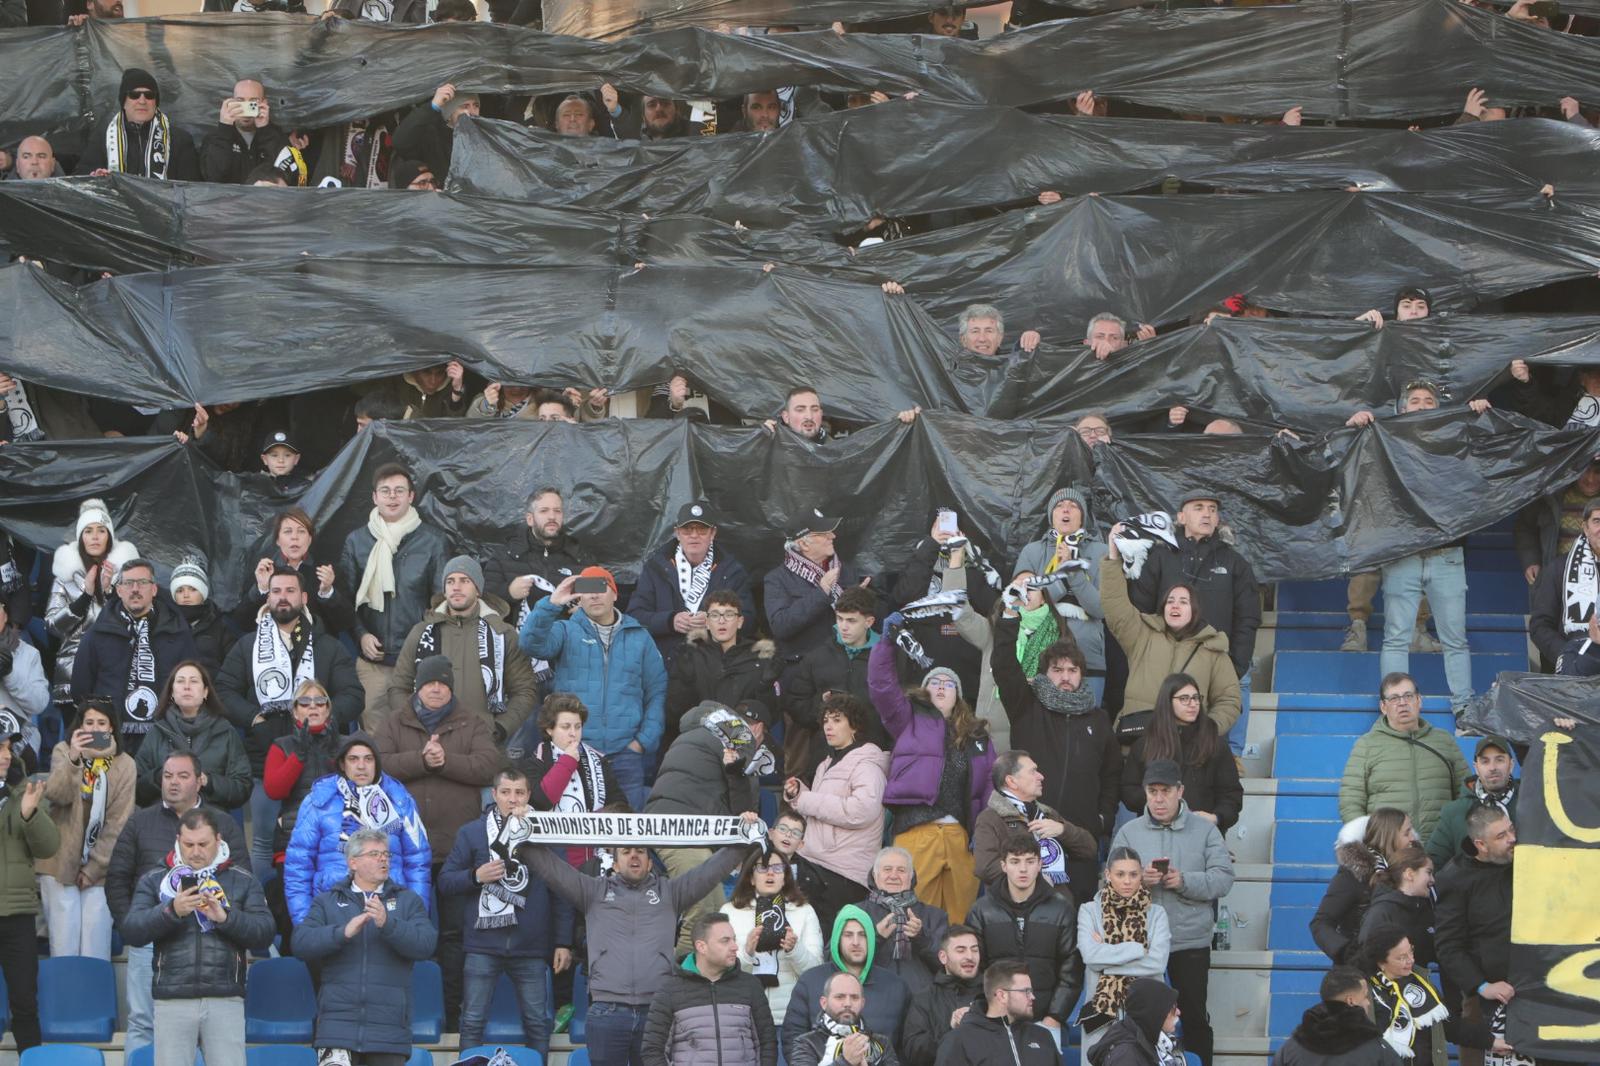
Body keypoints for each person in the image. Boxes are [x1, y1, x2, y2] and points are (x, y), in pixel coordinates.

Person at [518, 819, 759, 1066]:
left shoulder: (670, 893)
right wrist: (521, 835)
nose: (634, 856)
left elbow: (709, 872)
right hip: (606, 1011)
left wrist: (742, 837)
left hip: (656, 1010)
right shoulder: (592, 891)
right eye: (626, 851)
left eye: (641, 851)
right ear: (614, 863)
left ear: (650, 862)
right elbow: (552, 869)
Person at [372, 654, 499, 1028]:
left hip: (456, 853)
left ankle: (452, 1015)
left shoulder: (471, 721)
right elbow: (376, 764)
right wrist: (421, 760)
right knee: (404, 932)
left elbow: (489, 765)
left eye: (443, 683)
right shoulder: (395, 721)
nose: (437, 688)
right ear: (417, 686)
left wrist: (446, 761)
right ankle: (406, 1013)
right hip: (403, 853)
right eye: (430, 683)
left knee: (455, 936)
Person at [216, 566, 362, 876]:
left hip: (323, 763)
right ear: (267, 598)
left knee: (331, 841)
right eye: (276, 591)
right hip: (265, 759)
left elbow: (353, 694)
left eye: (290, 591)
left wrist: (323, 715)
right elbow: (224, 689)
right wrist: (252, 717)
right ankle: (267, 917)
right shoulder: (248, 645)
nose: (283, 598)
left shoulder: (327, 645)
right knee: (263, 844)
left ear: (304, 597)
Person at [106, 751, 251, 1055]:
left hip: (215, 940)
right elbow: (117, 880)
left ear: (200, 781)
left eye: (182, 776)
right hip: (153, 937)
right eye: (167, 776)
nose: (172, 783)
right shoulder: (140, 821)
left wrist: (223, 919)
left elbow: (244, 881)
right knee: (142, 1021)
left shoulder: (221, 822)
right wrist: (136, 923)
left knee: (212, 1037)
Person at [120, 807, 274, 1066]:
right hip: (172, 997)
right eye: (188, 844)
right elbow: (133, 930)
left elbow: (265, 933)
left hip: (225, 997)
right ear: (178, 841)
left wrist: (226, 918)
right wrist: (171, 911)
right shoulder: (156, 878)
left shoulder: (242, 880)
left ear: (218, 840)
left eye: (203, 843)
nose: (195, 851)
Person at [438, 768, 574, 1057]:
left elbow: (562, 890)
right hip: (482, 945)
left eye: (519, 792)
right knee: (472, 1023)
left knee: (539, 1024)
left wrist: (563, 941)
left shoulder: (543, 833)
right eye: (506, 792)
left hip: (531, 947)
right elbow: (445, 881)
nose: (513, 799)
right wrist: (475, 876)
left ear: (528, 796)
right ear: (494, 795)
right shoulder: (472, 832)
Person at [990, 601, 1121, 892]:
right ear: (1045, 673)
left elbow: (1112, 774)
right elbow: (1003, 666)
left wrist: (1102, 818)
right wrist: (1010, 617)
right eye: (1057, 669)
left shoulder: (1098, 720)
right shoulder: (1026, 706)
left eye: (1072, 670)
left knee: (1076, 919)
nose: (1065, 677)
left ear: (1081, 675)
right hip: (1029, 837)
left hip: (1080, 837)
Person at [1110, 761, 1234, 1066]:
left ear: (1180, 791)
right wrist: (1139, 881)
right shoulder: (1129, 831)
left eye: (1166, 791)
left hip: (1188, 940)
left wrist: (1184, 881)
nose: (1159, 799)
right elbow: (1109, 881)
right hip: (1139, 942)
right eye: (1152, 791)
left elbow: (1224, 878)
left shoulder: (1205, 830)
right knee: (1137, 1018)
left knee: (1192, 1017)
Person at [867, 627, 995, 921]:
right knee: (913, 916)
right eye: (934, 681)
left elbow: (990, 781)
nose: (940, 686)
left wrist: (983, 831)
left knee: (960, 919)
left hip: (961, 836)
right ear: (925, 690)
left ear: (958, 695)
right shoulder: (907, 719)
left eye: (948, 684)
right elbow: (881, 687)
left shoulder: (977, 735)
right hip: (917, 830)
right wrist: (886, 644)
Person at [519, 567, 666, 810]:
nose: (594, 595)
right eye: (586, 590)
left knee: (628, 837)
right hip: (573, 753)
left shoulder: (640, 637)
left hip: (625, 755)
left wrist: (642, 742)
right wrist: (552, 603)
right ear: (579, 597)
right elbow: (530, 643)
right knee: (574, 833)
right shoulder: (565, 630)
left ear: (615, 594)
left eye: (601, 587)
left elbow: (657, 690)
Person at [293, 829, 440, 1066]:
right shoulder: (327, 901)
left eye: (386, 854)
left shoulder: (407, 900)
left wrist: (388, 924)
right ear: (353, 862)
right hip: (336, 1029)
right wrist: (343, 932)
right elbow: (300, 943)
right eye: (374, 854)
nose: (383, 859)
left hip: (388, 1032)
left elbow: (426, 944)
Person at [1130, 491, 1260, 753]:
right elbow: (1140, 609)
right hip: (1167, 666)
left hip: (1220, 666)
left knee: (1221, 751)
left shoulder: (1234, 562)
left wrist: (1235, 664)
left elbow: (1248, 617)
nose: (1207, 513)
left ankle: (1231, 769)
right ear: (1181, 517)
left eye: (1212, 509)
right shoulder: (1160, 556)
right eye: (1198, 507)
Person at [647, 699, 772, 953]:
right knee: (706, 908)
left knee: (711, 910)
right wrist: (737, 771)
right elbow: (742, 810)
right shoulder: (739, 738)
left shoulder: (697, 729)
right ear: (757, 729)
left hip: (665, 822)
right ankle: (676, 976)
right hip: (682, 829)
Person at [337, 463, 451, 729]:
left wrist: (420, 643)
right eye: (385, 491)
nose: (392, 496)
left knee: (415, 732)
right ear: (375, 497)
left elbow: (440, 603)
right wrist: (360, 634)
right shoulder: (357, 541)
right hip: (372, 662)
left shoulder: (433, 541)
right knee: (375, 736)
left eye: (399, 490)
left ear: (411, 496)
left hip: (416, 661)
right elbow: (345, 601)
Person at [386, 555, 540, 744]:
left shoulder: (503, 634)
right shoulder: (421, 632)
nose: (456, 587)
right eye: (450, 581)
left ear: (478, 590)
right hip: (427, 743)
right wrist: (415, 726)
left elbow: (524, 690)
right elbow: (398, 687)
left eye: (465, 581)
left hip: (482, 744)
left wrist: (499, 728)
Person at [283, 732, 432, 925]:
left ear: (376, 764)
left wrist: (415, 922)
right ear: (343, 764)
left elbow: (418, 862)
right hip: (332, 909)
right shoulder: (318, 801)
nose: (361, 766)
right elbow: (298, 866)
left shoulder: (400, 800)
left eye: (368, 759)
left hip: (391, 906)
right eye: (353, 759)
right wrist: (306, 925)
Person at [1101, 536, 1241, 736]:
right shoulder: (1141, 635)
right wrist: (1113, 558)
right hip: (1138, 743)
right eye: (1170, 601)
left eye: (1183, 601)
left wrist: (1206, 731)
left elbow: (1229, 700)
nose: (1175, 605)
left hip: (1186, 751)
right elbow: (1114, 604)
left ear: (1195, 610)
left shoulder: (1213, 649)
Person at [36, 697, 135, 960]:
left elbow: (118, 823)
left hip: (101, 870)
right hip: (59, 863)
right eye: (88, 722)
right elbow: (57, 795)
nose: (94, 728)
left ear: (111, 727)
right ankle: (64, 1002)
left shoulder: (125, 764)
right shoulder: (62, 750)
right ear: (79, 726)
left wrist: (93, 869)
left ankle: (93, 1000)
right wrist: (73, 758)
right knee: (63, 949)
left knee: (95, 950)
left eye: (101, 722)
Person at [783, 694, 890, 935]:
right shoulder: (826, 763)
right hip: (816, 862)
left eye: (837, 720)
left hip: (842, 873)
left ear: (854, 725)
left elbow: (861, 811)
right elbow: (826, 807)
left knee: (831, 942)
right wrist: (800, 791)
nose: (828, 726)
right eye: (825, 720)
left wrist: (805, 799)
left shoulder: (867, 764)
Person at [70, 557, 200, 752]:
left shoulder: (178, 632)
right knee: (102, 782)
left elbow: (194, 684)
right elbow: (81, 689)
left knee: (166, 781)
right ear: (119, 590)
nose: (135, 589)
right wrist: (99, 732)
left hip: (164, 736)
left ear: (154, 589)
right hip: (106, 735)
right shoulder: (98, 632)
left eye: (142, 583)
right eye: (128, 583)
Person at [966, 831, 1081, 1037]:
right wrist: (987, 1012)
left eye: (1030, 861)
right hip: (994, 1022)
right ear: (1003, 865)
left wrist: (1054, 1017)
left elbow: (1071, 969)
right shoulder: (982, 910)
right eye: (1015, 861)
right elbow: (975, 968)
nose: (1023, 869)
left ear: (1040, 864)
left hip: (1046, 1021)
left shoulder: (1061, 910)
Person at [1338, 673, 1469, 841]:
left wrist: (1454, 836)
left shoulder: (1444, 741)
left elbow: (1465, 794)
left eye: (1408, 696)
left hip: (1440, 849)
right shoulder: (1366, 745)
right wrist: (1372, 843)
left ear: (1419, 700)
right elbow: (1351, 800)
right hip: (1389, 852)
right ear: (1383, 707)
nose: (1402, 703)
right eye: (1394, 698)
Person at [627, 501, 756, 666]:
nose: (694, 535)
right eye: (687, 530)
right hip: (665, 666)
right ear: (677, 533)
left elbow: (749, 621)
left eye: (701, 529)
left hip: (716, 666)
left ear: (713, 533)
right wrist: (670, 621)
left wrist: (714, 621)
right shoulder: (655, 568)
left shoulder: (732, 571)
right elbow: (635, 616)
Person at [1434, 804, 1516, 1062]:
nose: (1512, 839)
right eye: (1501, 836)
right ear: (1481, 844)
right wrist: (1482, 986)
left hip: (1530, 990)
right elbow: (1448, 946)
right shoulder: (1455, 878)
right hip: (1485, 998)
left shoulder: (1525, 859)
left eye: (1510, 829)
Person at [641, 912, 778, 1066]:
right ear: (702, 947)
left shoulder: (750, 985)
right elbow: (653, 1050)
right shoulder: (670, 991)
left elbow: (768, 1044)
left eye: (734, 939)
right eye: (725, 941)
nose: (735, 947)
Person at [1012, 488, 1110, 697]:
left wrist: (1074, 574)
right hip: (1041, 657)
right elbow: (1023, 606)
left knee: (1085, 725)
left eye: (1073, 506)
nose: (1066, 509)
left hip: (1088, 657)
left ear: (1082, 517)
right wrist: (1060, 579)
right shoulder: (1032, 552)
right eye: (1059, 506)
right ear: (1051, 516)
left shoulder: (1101, 552)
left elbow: (1102, 609)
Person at [510, 694, 623, 869]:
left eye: (578, 727)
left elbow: (620, 805)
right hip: (553, 860)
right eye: (566, 727)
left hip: (595, 858)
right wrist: (567, 761)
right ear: (549, 729)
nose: (573, 733)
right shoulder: (534, 762)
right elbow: (541, 800)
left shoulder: (598, 761)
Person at [1119, 673, 1243, 834]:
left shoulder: (1215, 744)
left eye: (1196, 698)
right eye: (1184, 698)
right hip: (1154, 833)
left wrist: (1216, 817)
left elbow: (1231, 795)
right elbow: (1128, 790)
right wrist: (1160, 804)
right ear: (1168, 702)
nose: (1193, 704)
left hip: (1201, 835)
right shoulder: (1145, 744)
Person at [972, 750, 1098, 906]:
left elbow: (1089, 849)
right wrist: (1036, 877)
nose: (1041, 776)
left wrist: (1063, 830)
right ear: (1012, 781)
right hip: (1012, 911)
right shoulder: (990, 818)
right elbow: (985, 867)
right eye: (1033, 771)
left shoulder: (1047, 813)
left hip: (1056, 911)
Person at [47, 498, 140, 710]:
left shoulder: (126, 576)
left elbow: (136, 623)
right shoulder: (65, 575)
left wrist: (108, 592)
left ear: (110, 536)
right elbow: (52, 626)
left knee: (108, 741)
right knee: (79, 741)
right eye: (88, 531)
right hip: (72, 676)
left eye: (101, 530)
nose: (95, 537)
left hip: (116, 675)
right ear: (80, 537)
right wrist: (86, 596)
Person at [1077, 847, 1172, 1052]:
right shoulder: (1088, 911)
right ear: (1108, 875)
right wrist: (1139, 949)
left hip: (1148, 1012)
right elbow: (1090, 956)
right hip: (1101, 1011)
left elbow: (1157, 963)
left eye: (1133, 874)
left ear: (1141, 876)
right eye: (1120, 874)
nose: (1127, 881)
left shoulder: (1157, 914)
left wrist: (1106, 959)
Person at [782, 905, 910, 1056]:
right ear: (837, 939)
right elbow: (793, 1040)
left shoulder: (896, 986)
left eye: (862, 934)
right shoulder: (810, 982)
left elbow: (906, 1047)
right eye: (848, 935)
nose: (856, 942)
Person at [784, 586, 884, 776]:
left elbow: (900, 708)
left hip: (872, 756)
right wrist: (821, 705)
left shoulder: (888, 657)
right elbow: (795, 705)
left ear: (869, 621)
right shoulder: (816, 656)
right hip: (824, 759)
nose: (843, 627)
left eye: (851, 620)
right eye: (840, 619)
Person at [0, 727, 58, 1053]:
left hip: (19, 914)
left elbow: (49, 847)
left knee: (24, 1003)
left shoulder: (26, 792)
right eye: (0, 748)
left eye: (8, 747)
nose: (7, 754)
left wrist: (30, 813)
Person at [664, 589, 780, 751]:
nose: (722, 621)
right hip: (699, 745)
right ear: (707, 622)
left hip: (742, 747)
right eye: (715, 615)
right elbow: (673, 713)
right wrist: (684, 684)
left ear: (740, 621)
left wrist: (764, 686)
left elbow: (770, 716)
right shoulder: (690, 655)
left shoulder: (759, 658)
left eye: (729, 614)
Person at [726, 842, 825, 1022]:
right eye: (762, 868)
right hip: (743, 1015)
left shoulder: (804, 911)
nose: (770, 873)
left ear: (786, 877)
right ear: (751, 877)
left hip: (789, 1016)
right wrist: (747, 952)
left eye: (778, 868)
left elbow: (815, 972)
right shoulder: (730, 912)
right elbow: (720, 968)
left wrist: (795, 950)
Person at [133, 660, 252, 809]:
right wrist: (161, 776)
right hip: (163, 820)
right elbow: (136, 788)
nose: (187, 687)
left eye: (194, 681)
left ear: (205, 692)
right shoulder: (157, 732)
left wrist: (208, 781)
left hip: (210, 822)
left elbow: (243, 787)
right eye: (180, 681)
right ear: (171, 692)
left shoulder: (225, 731)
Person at [765, 506, 874, 661]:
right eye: (824, 533)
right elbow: (781, 626)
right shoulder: (777, 579)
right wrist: (822, 592)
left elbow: (870, 622)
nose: (833, 536)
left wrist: (861, 602)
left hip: (846, 662)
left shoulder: (846, 570)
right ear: (804, 544)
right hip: (803, 668)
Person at [1310, 809, 1417, 966]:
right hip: (1360, 972)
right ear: (1389, 836)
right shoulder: (1354, 874)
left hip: (1402, 969)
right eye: (1407, 833)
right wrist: (1347, 951)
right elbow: (1321, 923)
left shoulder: (1414, 872)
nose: (1412, 839)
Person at [231, 507, 351, 634]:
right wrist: (261, 588)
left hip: (316, 645)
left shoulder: (326, 571)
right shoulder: (263, 570)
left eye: (301, 531)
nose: (295, 537)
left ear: (309, 539)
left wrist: (328, 593)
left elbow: (346, 622)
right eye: (288, 531)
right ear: (277, 540)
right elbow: (241, 622)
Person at [1361, 927, 1469, 1063]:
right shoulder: (1364, 992)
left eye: (1411, 951)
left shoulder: (1422, 982)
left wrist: (1491, 1042)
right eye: (1402, 957)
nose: (1410, 960)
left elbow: (1449, 1025)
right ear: (1381, 962)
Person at [483, 487, 583, 632]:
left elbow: (600, 597)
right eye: (544, 511)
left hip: (565, 648)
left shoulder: (579, 558)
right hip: (517, 650)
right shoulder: (504, 557)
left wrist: (587, 608)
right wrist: (508, 592)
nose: (552, 517)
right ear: (530, 519)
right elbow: (483, 603)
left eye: (557, 511)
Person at [936, 959, 1064, 1066]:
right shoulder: (959, 1040)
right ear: (1002, 995)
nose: (1032, 997)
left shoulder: (1042, 1036)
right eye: (1026, 991)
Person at [75, 69, 199, 179]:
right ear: (123, 102)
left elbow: (192, 190)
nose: (142, 101)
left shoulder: (180, 140)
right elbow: (81, 179)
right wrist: (96, 178)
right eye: (134, 95)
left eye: (149, 95)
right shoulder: (103, 137)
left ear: (155, 102)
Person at [858, 846, 949, 995]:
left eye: (901, 870)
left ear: (911, 877)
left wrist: (922, 938)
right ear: (875, 875)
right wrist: (876, 937)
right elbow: (836, 960)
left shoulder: (935, 916)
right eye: (887, 869)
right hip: (869, 996)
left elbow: (948, 964)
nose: (894, 876)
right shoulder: (857, 913)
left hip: (922, 1000)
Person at [1273, 965, 1402, 1066]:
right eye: (1365, 996)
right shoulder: (1378, 1049)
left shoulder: (1291, 1048)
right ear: (1351, 1001)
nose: (1368, 1002)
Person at [1529, 496, 1600, 673]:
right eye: (1597, 521)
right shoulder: (1558, 568)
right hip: (1572, 672)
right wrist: (1569, 656)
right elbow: (1540, 625)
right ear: (1585, 527)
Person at [1426, 736, 1516, 867]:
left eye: (1499, 760)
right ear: (1476, 767)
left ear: (1511, 765)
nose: (1492, 767)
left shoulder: (1532, 803)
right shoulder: (1454, 812)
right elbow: (1433, 864)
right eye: (1485, 761)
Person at [901, 925, 983, 1066]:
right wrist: (950, 1029)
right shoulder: (925, 998)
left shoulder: (991, 995)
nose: (970, 957)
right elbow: (913, 1052)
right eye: (961, 950)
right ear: (943, 957)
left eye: (974, 950)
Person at [788, 970, 903, 1066]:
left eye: (854, 997)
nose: (848, 1003)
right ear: (824, 1003)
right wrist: (845, 1061)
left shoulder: (882, 1043)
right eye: (840, 997)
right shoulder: (806, 1043)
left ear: (862, 1003)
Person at [199, 79, 290, 184]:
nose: (246, 107)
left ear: (264, 103)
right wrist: (224, 128)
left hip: (264, 199)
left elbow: (283, 176)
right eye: (240, 100)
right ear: (231, 103)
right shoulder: (216, 137)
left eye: (253, 101)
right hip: (228, 199)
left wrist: (265, 130)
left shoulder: (276, 136)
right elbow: (213, 177)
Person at [1358, 848, 1437, 969]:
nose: (1432, 880)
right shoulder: (1381, 912)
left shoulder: (1422, 908)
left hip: (1413, 985)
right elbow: (1366, 959)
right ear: (1410, 874)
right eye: (1428, 872)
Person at [392, 82, 479, 181]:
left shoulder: (484, 137)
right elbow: (401, 142)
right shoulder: (433, 137)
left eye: (476, 105)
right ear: (450, 113)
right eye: (465, 106)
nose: (472, 112)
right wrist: (433, 106)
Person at [1085, 977, 1181, 1066]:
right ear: (1154, 1012)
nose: (1178, 1012)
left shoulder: (1158, 1043)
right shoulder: (1125, 1056)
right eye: (1172, 1007)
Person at [168, 556, 230, 678]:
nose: (186, 595)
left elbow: (232, 669)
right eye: (179, 590)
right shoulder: (164, 623)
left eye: (193, 589)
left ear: (203, 592)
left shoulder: (220, 625)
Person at [0, 599, 48, 749]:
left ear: (6, 615)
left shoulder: (28, 654)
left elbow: (39, 704)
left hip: (16, 736)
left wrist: (10, 674)